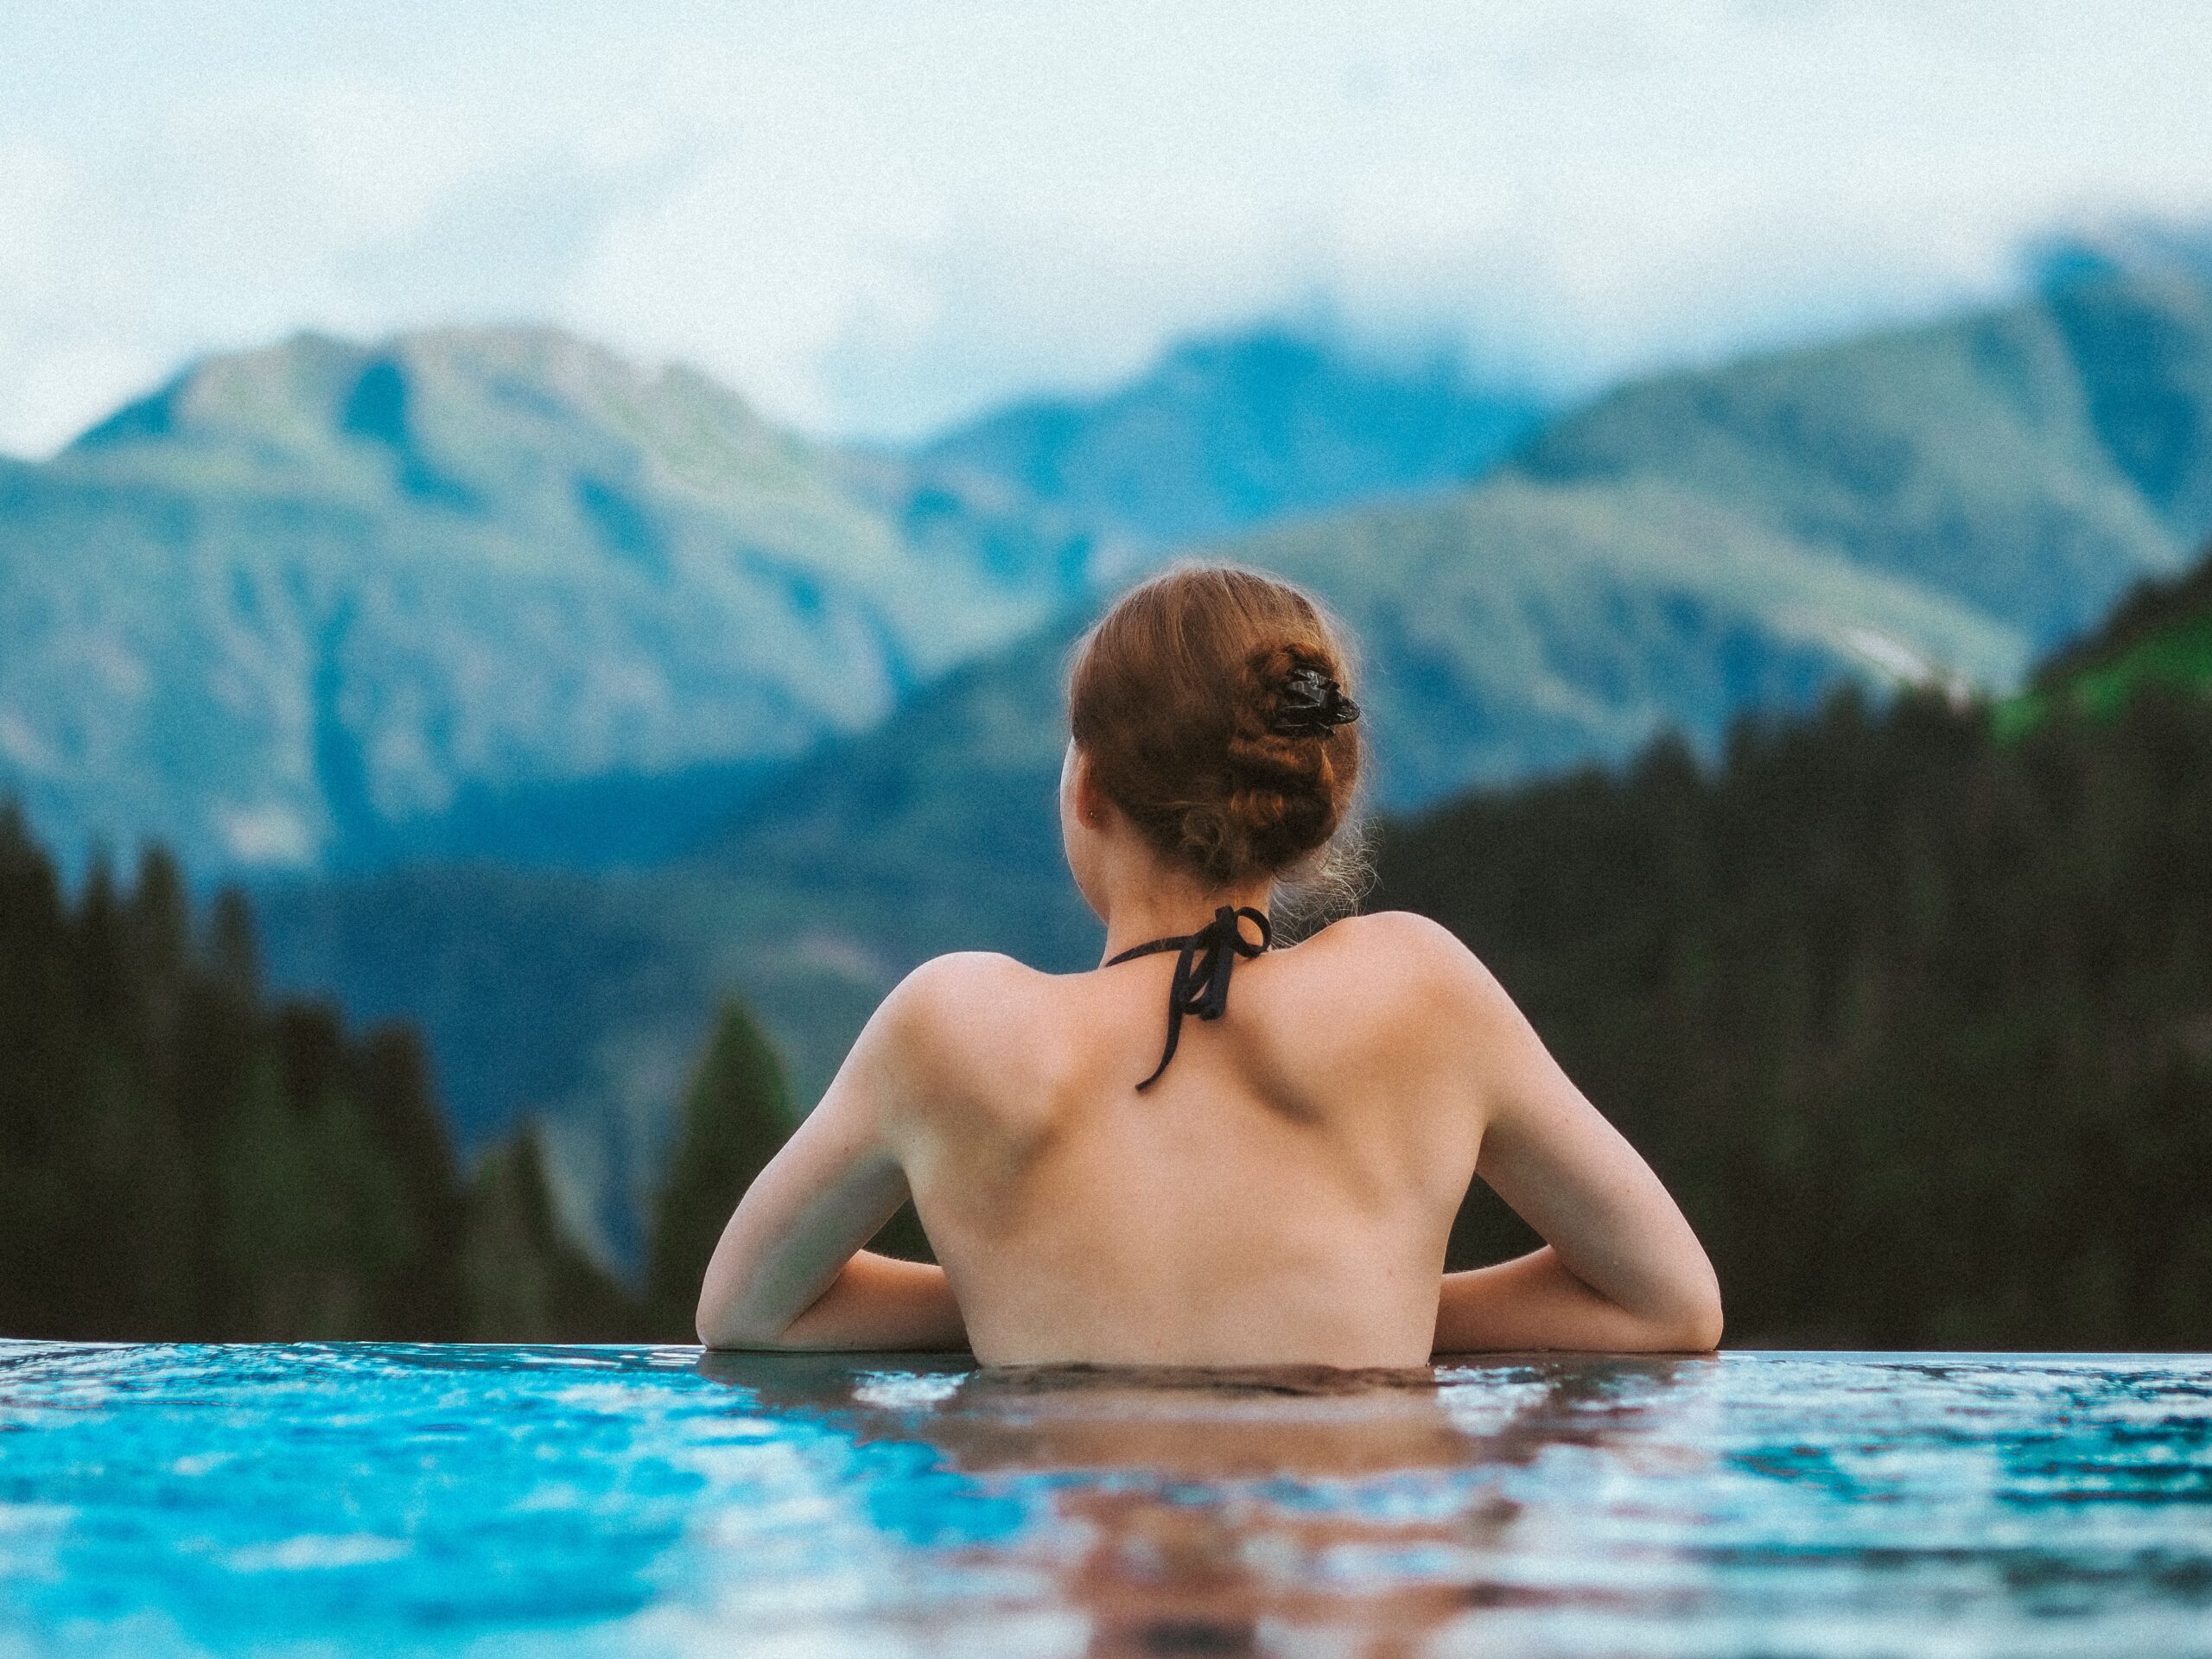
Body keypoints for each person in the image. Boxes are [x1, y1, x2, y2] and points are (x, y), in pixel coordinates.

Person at [696, 563, 1721, 1366]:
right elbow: (1670, 1303)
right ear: (1309, 810)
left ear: (1089, 788)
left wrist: (1029, 1291)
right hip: (1354, 1597)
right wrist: (1374, 1301)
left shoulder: (954, 1025)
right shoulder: (1420, 990)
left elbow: (743, 1314)